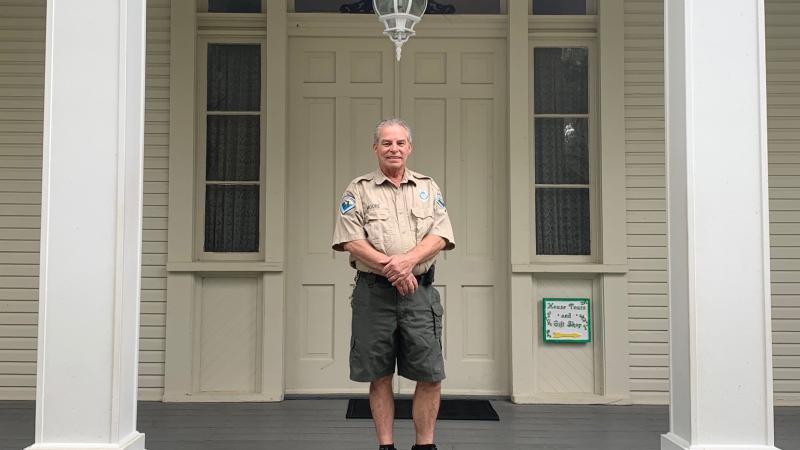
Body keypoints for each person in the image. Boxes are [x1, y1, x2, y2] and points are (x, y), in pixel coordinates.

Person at [332, 118, 455, 450]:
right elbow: (350, 241)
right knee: (379, 374)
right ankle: (386, 446)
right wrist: (394, 267)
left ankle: (425, 446)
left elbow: (441, 235)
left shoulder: (429, 187)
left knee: (430, 373)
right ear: (375, 148)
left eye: (400, 143)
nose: (394, 149)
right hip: (374, 295)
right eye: (386, 143)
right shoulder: (358, 189)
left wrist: (408, 261)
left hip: (421, 294)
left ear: (410, 147)